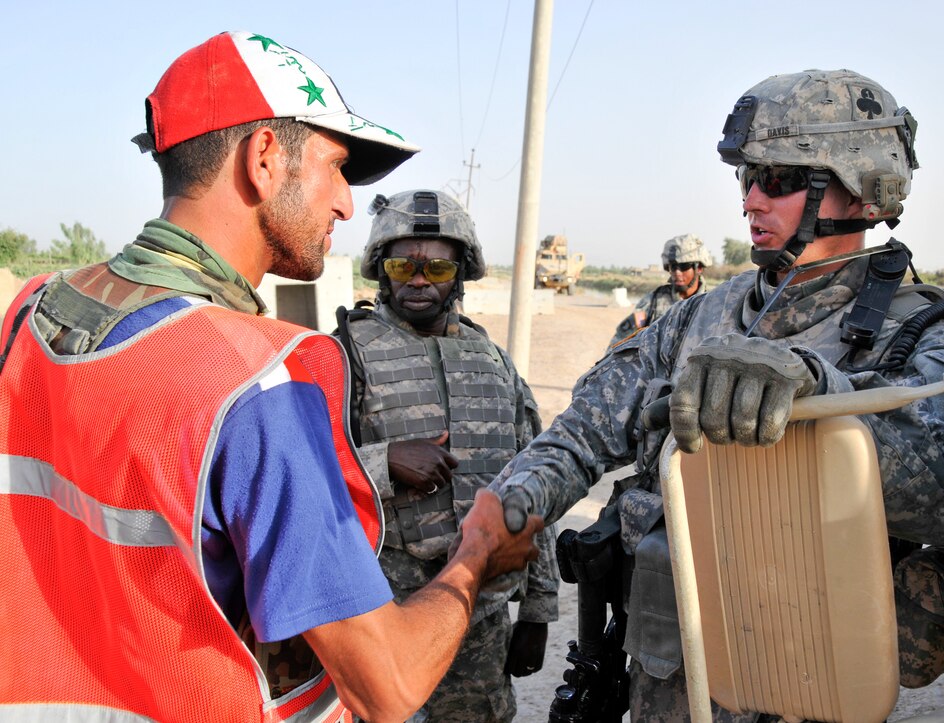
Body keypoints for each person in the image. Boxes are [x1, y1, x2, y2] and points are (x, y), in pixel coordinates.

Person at [0, 31, 543, 723]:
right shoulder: (258, 381)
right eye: (337, 166)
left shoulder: (32, 311)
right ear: (263, 159)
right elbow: (388, 684)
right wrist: (478, 553)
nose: (346, 204)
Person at [492, 69, 944, 721]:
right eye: (747, 178)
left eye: (779, 180)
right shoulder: (696, 317)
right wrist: (512, 503)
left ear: (860, 187)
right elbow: (583, 430)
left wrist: (828, 400)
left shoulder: (920, 335)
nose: (751, 201)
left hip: (807, 689)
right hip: (669, 680)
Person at [334, 189, 561, 722]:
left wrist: (537, 611)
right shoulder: (344, 355)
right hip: (378, 612)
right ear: (381, 271)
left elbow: (537, 480)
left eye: (436, 268)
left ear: (459, 274)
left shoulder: (492, 361)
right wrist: (382, 462)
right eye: (402, 265)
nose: (418, 279)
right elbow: (298, 470)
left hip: (477, 620)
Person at [609, 234, 713, 347]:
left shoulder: (714, 303)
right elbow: (620, 341)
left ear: (699, 268)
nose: (677, 272)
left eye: (684, 266)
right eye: (673, 267)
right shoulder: (653, 301)